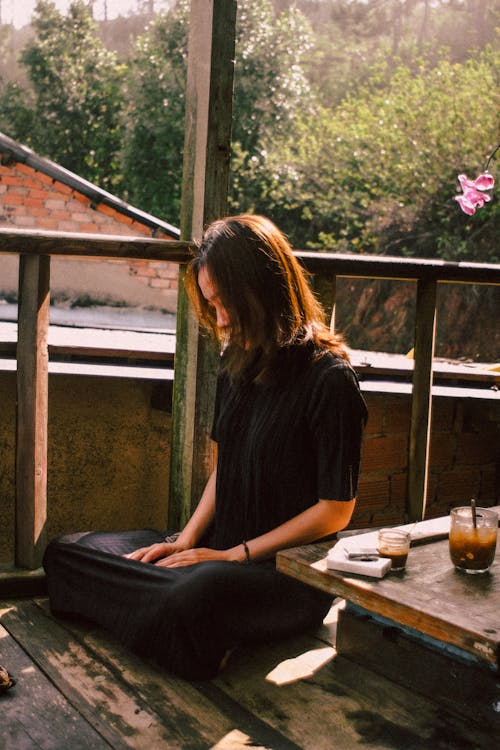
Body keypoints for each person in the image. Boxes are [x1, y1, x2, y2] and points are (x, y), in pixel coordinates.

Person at [43, 214, 368, 680]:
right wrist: (189, 538)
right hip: (215, 553)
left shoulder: (330, 379)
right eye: (212, 305)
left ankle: (182, 622)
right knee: (68, 552)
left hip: (280, 575)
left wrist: (234, 555)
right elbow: (226, 466)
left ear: (266, 289)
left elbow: (335, 511)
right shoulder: (236, 362)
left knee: (194, 596)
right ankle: (181, 628)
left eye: (227, 304)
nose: (220, 320)